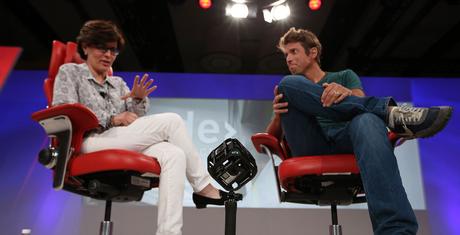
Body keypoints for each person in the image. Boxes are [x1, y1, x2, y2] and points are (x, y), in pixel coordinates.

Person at [52, 20, 237, 235]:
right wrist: (112, 118)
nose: (108, 55)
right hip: (87, 141)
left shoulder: (118, 83)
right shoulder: (70, 72)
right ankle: (203, 187)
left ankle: (169, 232)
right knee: (172, 121)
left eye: (113, 50)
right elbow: (63, 111)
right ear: (85, 47)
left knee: (174, 154)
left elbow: (133, 121)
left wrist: (138, 101)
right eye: (102, 48)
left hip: (117, 137)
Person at [266, 27, 453, 234]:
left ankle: (395, 231)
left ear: (313, 53)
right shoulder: (290, 88)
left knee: (366, 118)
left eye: (294, 52)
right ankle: (389, 113)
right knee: (287, 83)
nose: (288, 59)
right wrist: (278, 116)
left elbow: (358, 101)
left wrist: (345, 93)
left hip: (349, 138)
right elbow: (269, 139)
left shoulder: (345, 75)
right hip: (310, 143)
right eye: (286, 55)